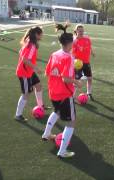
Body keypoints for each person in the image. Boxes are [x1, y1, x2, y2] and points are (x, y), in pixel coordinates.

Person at [42, 24, 83, 158]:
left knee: (57, 111)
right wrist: (77, 82)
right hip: (65, 94)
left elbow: (47, 72)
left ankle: (47, 134)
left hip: (53, 92)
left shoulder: (54, 54)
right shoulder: (69, 57)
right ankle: (62, 151)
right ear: (69, 43)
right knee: (72, 121)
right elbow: (66, 79)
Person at [15, 26, 48, 121]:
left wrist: (32, 68)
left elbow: (21, 52)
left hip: (29, 71)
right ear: (37, 34)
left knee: (38, 86)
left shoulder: (29, 42)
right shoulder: (32, 45)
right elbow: (25, 60)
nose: (42, 35)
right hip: (24, 73)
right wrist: (36, 68)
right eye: (41, 34)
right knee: (26, 93)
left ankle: (40, 106)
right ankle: (18, 115)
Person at [72, 24, 95, 101]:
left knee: (90, 78)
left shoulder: (87, 38)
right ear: (76, 31)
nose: (81, 32)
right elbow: (72, 53)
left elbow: (90, 46)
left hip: (86, 62)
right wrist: (74, 61)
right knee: (77, 80)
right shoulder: (74, 41)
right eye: (79, 31)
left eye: (82, 31)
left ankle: (89, 93)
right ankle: (73, 96)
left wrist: (92, 52)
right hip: (78, 64)